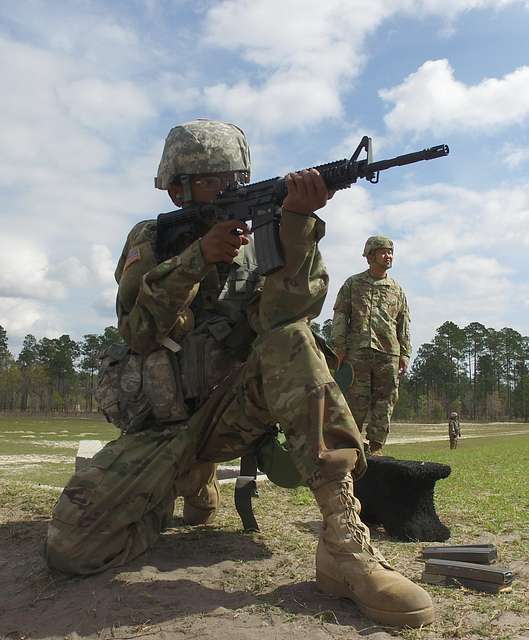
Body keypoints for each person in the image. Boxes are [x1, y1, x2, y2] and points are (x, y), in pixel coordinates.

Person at [45, 120, 433, 628]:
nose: (229, 186)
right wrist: (196, 259)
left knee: (293, 338)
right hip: (162, 427)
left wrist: (295, 221)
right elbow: (137, 331)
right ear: (179, 187)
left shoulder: (263, 233)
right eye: (214, 179)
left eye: (235, 176)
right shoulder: (153, 237)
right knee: (72, 549)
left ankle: (344, 546)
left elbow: (285, 316)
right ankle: (181, 480)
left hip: (235, 407)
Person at [331, 237, 410, 455]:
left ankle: (375, 448)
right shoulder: (353, 284)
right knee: (355, 401)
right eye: (383, 252)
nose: (389, 256)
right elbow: (340, 315)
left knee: (385, 402)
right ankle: (350, 448)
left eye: (391, 252)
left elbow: (403, 323)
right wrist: (339, 347)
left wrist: (405, 353)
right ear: (370, 256)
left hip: (388, 355)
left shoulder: (397, 289)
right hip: (358, 353)